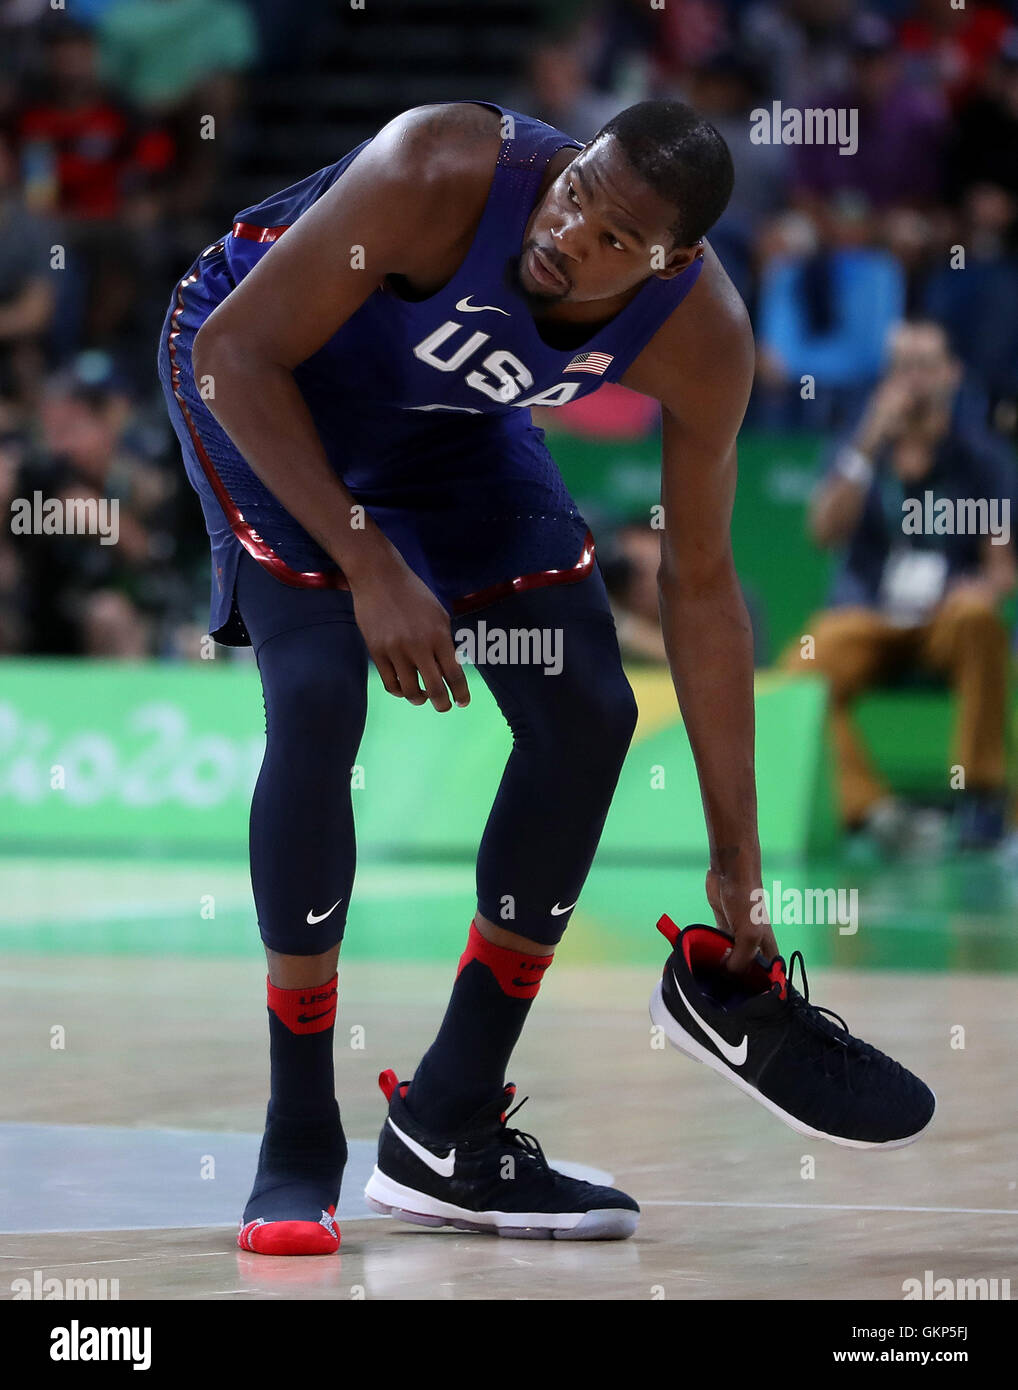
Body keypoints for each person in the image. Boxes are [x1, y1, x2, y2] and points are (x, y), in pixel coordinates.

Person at [158, 98, 934, 1255]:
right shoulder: (438, 167)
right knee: (321, 693)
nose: (570, 232)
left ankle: (448, 1123)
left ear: (671, 260)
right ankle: (297, 1134)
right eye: (577, 191)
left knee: (587, 709)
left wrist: (739, 863)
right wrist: (369, 562)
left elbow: (704, 587)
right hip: (266, 387)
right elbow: (233, 355)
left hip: (454, 431)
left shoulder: (702, 337)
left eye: (615, 236)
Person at [793, 320, 1017, 849]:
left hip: (946, 619)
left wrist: (984, 589)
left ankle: (983, 798)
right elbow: (823, 532)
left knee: (980, 620)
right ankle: (871, 812)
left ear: (951, 375)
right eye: (901, 366)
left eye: (925, 365)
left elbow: (1002, 565)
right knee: (805, 665)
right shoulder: (859, 451)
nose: (912, 379)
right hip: (870, 616)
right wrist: (869, 442)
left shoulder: (981, 461)